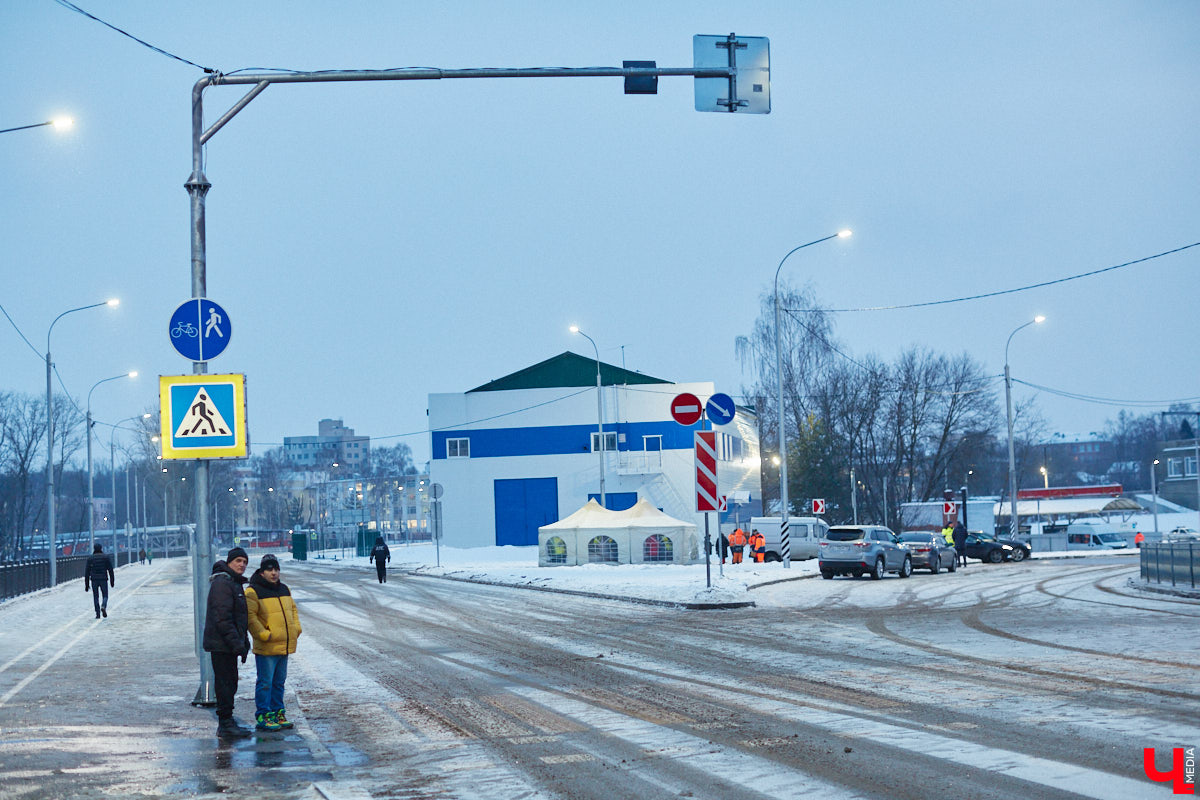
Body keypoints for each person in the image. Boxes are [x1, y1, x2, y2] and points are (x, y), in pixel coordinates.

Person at [244, 554, 301, 732]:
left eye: (276, 569)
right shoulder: (253, 592)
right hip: (267, 645)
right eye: (269, 569)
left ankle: (278, 712)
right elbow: (250, 617)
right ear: (262, 572)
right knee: (265, 682)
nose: (274, 573)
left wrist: (296, 629)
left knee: (279, 682)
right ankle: (263, 714)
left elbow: (293, 610)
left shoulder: (284, 589)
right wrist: (263, 634)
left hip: (283, 644)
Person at [203, 547, 252, 739]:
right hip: (222, 644)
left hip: (227, 644)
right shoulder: (223, 583)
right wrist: (236, 643)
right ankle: (225, 724)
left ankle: (228, 721)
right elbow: (222, 618)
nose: (242, 565)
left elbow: (238, 618)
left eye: (245, 562)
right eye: (238, 561)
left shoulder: (232, 582)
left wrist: (243, 641)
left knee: (229, 683)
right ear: (230, 562)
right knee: (225, 684)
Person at [84, 543, 114, 619]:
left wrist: (87, 585)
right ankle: (103, 605)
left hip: (94, 579)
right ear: (101, 548)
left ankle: (97, 613)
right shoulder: (105, 557)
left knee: (95, 596)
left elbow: (87, 572)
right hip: (103, 578)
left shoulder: (90, 558)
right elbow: (110, 569)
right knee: (105, 595)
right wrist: (112, 581)